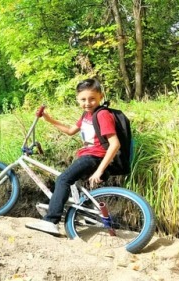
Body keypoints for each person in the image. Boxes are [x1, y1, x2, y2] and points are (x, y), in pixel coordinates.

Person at [25, 78, 120, 236]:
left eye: (92, 99)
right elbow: (70, 131)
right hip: (89, 156)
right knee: (73, 183)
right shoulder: (86, 115)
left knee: (63, 179)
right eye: (83, 99)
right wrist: (49, 119)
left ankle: (51, 221)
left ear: (101, 97)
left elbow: (115, 144)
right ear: (77, 99)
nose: (87, 103)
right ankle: (88, 215)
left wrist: (99, 170)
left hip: (94, 157)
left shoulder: (102, 114)